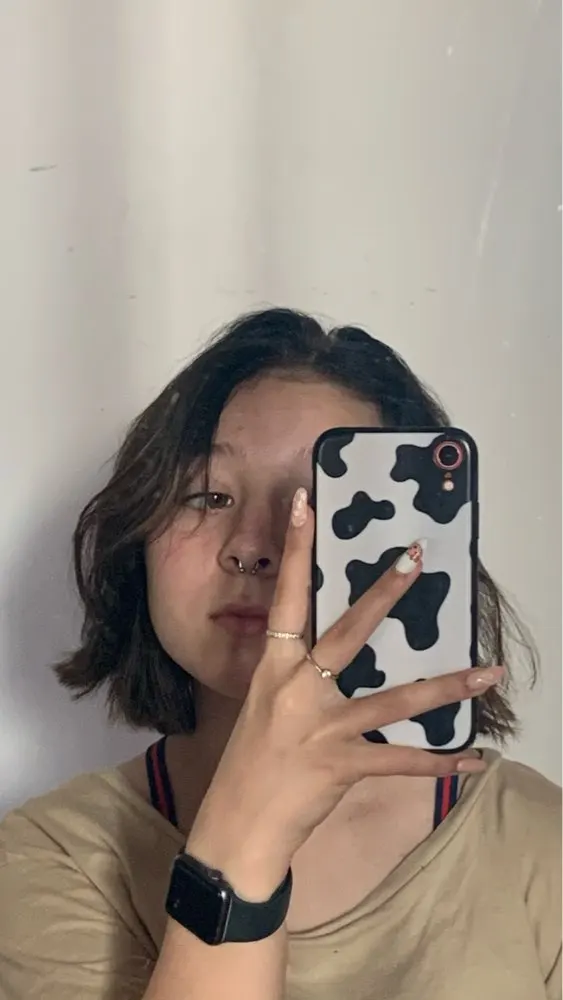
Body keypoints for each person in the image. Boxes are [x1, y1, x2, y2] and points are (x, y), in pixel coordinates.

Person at [0, 308, 559, 1000]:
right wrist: (249, 832)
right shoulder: (53, 855)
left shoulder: (535, 839)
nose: (253, 547)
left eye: (315, 502)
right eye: (209, 495)